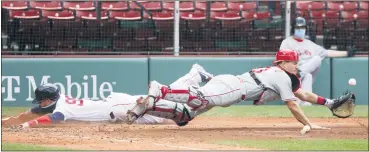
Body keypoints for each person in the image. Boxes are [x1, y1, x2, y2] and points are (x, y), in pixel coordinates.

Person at [126, 49, 353, 132]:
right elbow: (293, 104)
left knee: (186, 115)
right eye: (293, 62)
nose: (296, 65)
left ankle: (150, 105)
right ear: (283, 64)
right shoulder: (281, 75)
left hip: (234, 87)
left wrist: (329, 102)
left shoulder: (285, 76)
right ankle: (162, 90)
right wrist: (308, 124)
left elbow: (303, 95)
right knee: (200, 97)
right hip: (233, 88)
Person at [2, 64, 214, 128]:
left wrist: (27, 125)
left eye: (42, 100)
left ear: (48, 99)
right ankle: (195, 78)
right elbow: (33, 112)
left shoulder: (62, 108)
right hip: (117, 109)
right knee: (166, 114)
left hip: (120, 106)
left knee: (166, 105)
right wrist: (7, 122)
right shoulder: (59, 101)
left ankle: (194, 75)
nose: (40, 104)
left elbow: (52, 118)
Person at [279, 17, 356, 106]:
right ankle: (298, 74)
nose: (300, 30)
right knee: (307, 72)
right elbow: (281, 61)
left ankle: (305, 103)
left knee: (314, 65)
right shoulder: (287, 42)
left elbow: (327, 52)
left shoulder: (310, 44)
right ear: (293, 29)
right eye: (298, 27)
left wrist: (346, 53)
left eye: (302, 27)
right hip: (291, 77)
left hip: (302, 77)